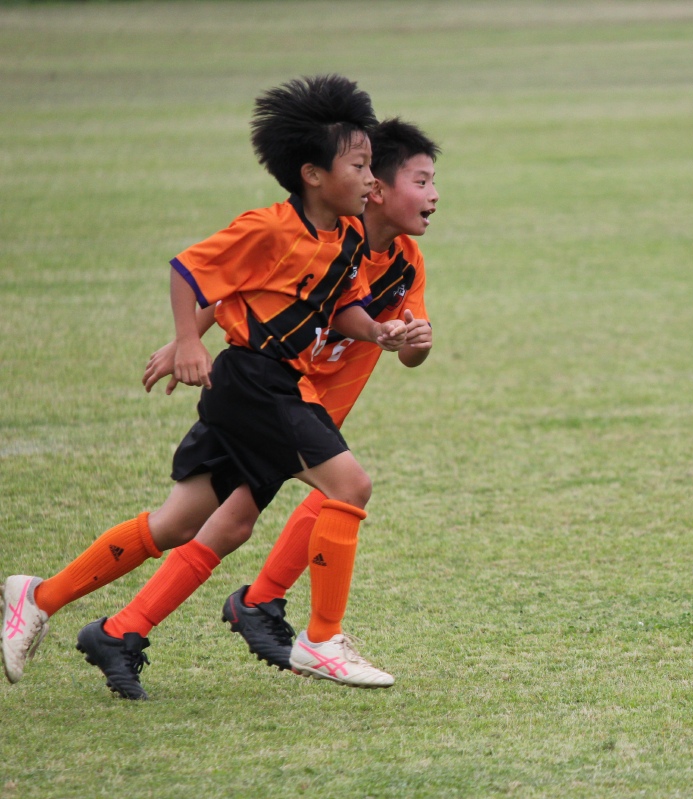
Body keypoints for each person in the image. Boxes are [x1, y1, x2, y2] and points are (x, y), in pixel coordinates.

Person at [2, 75, 406, 699]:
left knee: (177, 524)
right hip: (255, 380)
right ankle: (322, 640)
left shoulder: (348, 235)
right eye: (359, 166)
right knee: (350, 486)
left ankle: (39, 596)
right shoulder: (268, 228)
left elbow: (341, 305)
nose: (371, 179)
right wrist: (187, 340)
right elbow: (189, 270)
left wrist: (378, 332)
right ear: (313, 175)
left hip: (266, 383)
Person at [142, 117, 440, 677]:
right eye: (421, 181)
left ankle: (171, 619)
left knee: (281, 507)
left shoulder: (403, 261)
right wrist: (186, 338)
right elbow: (244, 282)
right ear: (375, 187)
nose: (434, 195)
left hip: (318, 399)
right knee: (242, 514)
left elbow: (404, 348)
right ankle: (142, 622)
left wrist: (411, 339)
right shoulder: (329, 232)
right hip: (274, 388)